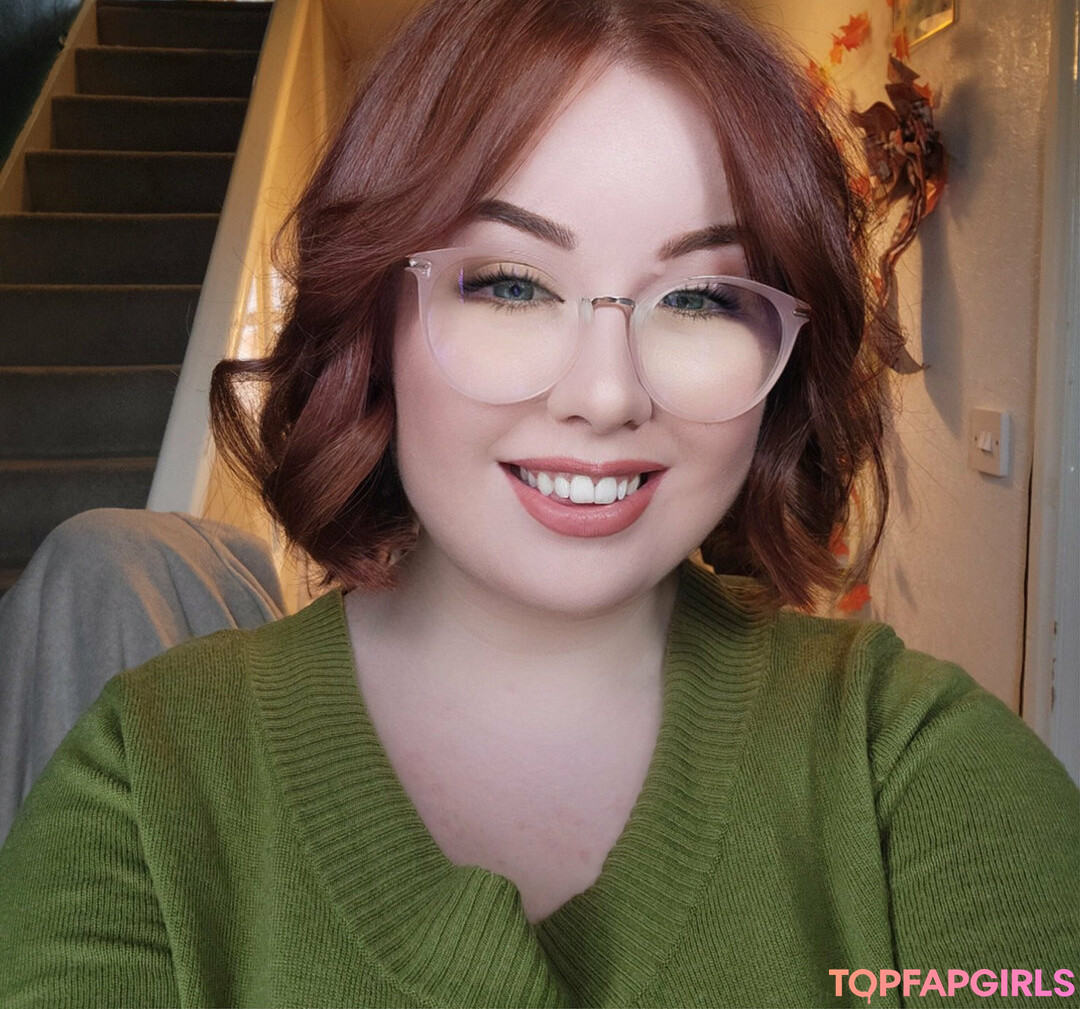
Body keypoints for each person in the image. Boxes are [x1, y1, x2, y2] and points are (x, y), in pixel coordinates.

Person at [0, 0, 1076, 1005]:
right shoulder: (142, 793)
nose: (606, 395)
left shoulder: (910, 766)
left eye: (701, 298)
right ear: (375, 315)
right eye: (511, 284)